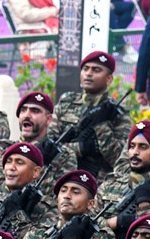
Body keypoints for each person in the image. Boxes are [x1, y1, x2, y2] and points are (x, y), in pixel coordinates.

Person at [50, 51, 133, 180]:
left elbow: (120, 159)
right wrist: (81, 148)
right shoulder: (67, 102)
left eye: (96, 70)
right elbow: (50, 146)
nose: (89, 74)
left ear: (109, 79)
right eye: (85, 69)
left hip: (99, 183)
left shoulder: (118, 114)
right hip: (63, 178)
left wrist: (101, 127)